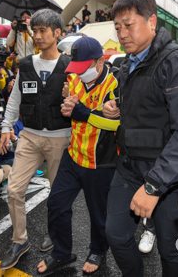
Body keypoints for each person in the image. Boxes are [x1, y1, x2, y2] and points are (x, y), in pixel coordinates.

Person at [102, 0, 178, 277]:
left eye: (129, 25)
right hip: (128, 168)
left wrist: (153, 186)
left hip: (168, 177)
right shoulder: (129, 64)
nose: (122, 33)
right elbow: (150, 106)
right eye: (117, 27)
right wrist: (120, 108)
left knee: (170, 248)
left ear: (152, 22)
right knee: (115, 234)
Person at [36, 36, 119, 275]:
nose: (80, 74)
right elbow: (71, 107)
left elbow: (117, 125)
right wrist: (67, 106)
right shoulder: (73, 78)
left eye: (85, 69)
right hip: (73, 155)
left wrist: (83, 113)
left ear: (100, 62)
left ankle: (98, 251)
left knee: (98, 215)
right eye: (77, 69)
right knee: (57, 204)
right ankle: (61, 253)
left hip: (100, 162)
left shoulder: (114, 85)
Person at [0, 9, 71, 270]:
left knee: (58, 195)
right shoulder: (26, 65)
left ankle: (54, 232)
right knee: (14, 189)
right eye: (34, 31)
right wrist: (6, 127)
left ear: (57, 33)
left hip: (60, 139)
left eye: (42, 31)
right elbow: (15, 100)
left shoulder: (70, 66)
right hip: (29, 137)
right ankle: (20, 240)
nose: (37, 36)